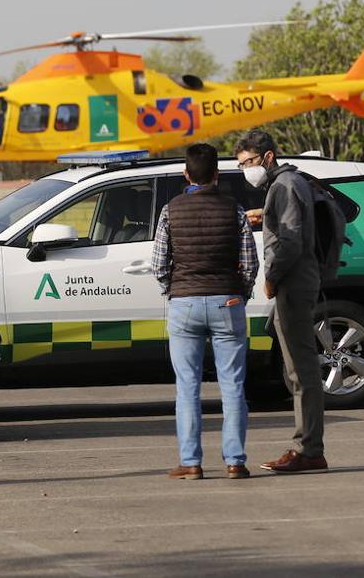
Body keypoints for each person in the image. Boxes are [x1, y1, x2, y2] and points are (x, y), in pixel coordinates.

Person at [151, 143, 259, 480]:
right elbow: (250, 263)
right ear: (216, 175)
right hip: (227, 302)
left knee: (187, 386)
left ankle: (191, 462)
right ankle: (235, 461)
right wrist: (239, 291)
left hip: (184, 304)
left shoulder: (171, 210)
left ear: (186, 174)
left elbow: (158, 263)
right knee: (233, 385)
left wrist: (174, 289)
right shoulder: (234, 210)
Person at [235, 129, 328, 474]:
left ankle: (308, 449)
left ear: (268, 157)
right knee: (298, 369)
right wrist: (267, 214)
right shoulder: (286, 184)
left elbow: (289, 242)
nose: (247, 170)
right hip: (297, 280)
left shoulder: (285, 185)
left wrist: (271, 279)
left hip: (293, 281)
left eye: (249, 163)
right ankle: (307, 446)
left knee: (301, 370)